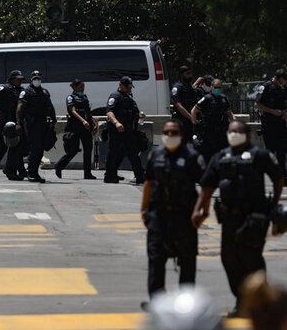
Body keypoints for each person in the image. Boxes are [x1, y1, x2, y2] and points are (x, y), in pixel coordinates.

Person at [192, 121, 284, 317]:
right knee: (229, 259)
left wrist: (273, 204)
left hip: (254, 217)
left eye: (239, 131)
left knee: (251, 259)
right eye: (232, 131)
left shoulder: (259, 155)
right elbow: (207, 185)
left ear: (248, 134)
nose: (235, 134)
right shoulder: (221, 156)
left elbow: (277, 178)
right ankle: (242, 302)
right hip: (229, 218)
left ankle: (260, 303)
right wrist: (200, 209)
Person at [141, 120, 206, 304]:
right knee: (156, 259)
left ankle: (186, 302)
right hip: (159, 216)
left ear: (181, 135)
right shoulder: (156, 155)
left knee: (187, 260)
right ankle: (156, 301)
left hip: (184, 216)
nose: (170, 136)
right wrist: (143, 209)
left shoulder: (192, 157)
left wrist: (201, 211)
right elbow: (149, 182)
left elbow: (206, 186)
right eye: (167, 132)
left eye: (174, 132)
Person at [104, 76, 146, 184]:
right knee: (113, 152)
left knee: (132, 152)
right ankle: (109, 176)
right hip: (116, 130)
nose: (129, 89)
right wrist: (116, 123)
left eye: (130, 87)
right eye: (127, 87)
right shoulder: (115, 96)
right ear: (121, 85)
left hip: (128, 129)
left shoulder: (129, 98)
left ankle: (140, 176)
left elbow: (134, 111)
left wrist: (140, 115)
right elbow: (109, 112)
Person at [17, 70, 56, 183]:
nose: (37, 80)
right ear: (31, 79)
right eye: (35, 78)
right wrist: (19, 123)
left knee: (40, 150)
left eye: (38, 78)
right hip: (31, 123)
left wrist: (53, 119)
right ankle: (31, 173)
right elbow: (20, 109)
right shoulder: (26, 92)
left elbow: (50, 106)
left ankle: (35, 172)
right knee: (35, 149)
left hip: (43, 122)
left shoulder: (44, 92)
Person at [0, 70, 27, 180]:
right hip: (5, 123)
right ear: (12, 79)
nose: (20, 82)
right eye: (18, 79)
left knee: (15, 146)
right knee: (6, 146)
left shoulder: (21, 90)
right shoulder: (4, 88)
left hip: (16, 123)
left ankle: (21, 170)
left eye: (21, 80)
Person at [55, 79, 97, 179]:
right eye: (80, 87)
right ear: (75, 87)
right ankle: (59, 166)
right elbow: (72, 111)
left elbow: (88, 112)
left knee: (88, 149)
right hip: (74, 127)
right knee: (73, 150)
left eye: (83, 87)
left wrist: (93, 123)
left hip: (86, 127)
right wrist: (83, 121)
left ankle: (87, 173)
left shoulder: (84, 98)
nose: (82, 89)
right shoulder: (70, 98)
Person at [191, 79, 234, 163]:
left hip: (221, 131)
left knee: (223, 155)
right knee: (208, 156)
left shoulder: (224, 98)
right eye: (215, 87)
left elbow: (229, 112)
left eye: (219, 87)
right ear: (212, 87)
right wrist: (195, 125)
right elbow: (194, 111)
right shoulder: (207, 98)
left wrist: (235, 123)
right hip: (209, 132)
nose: (217, 89)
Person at [254, 68, 286, 182]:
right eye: (283, 80)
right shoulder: (265, 87)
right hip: (269, 125)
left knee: (282, 151)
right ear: (277, 78)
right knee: (271, 151)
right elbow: (257, 104)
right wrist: (272, 111)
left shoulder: (282, 89)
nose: (284, 83)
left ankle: (282, 177)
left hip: (281, 125)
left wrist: (284, 113)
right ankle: (272, 176)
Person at [171, 66, 201, 143]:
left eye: (190, 73)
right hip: (181, 121)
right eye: (187, 74)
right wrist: (191, 117)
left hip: (190, 122)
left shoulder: (189, 87)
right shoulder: (177, 87)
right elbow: (178, 106)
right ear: (181, 75)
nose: (190, 75)